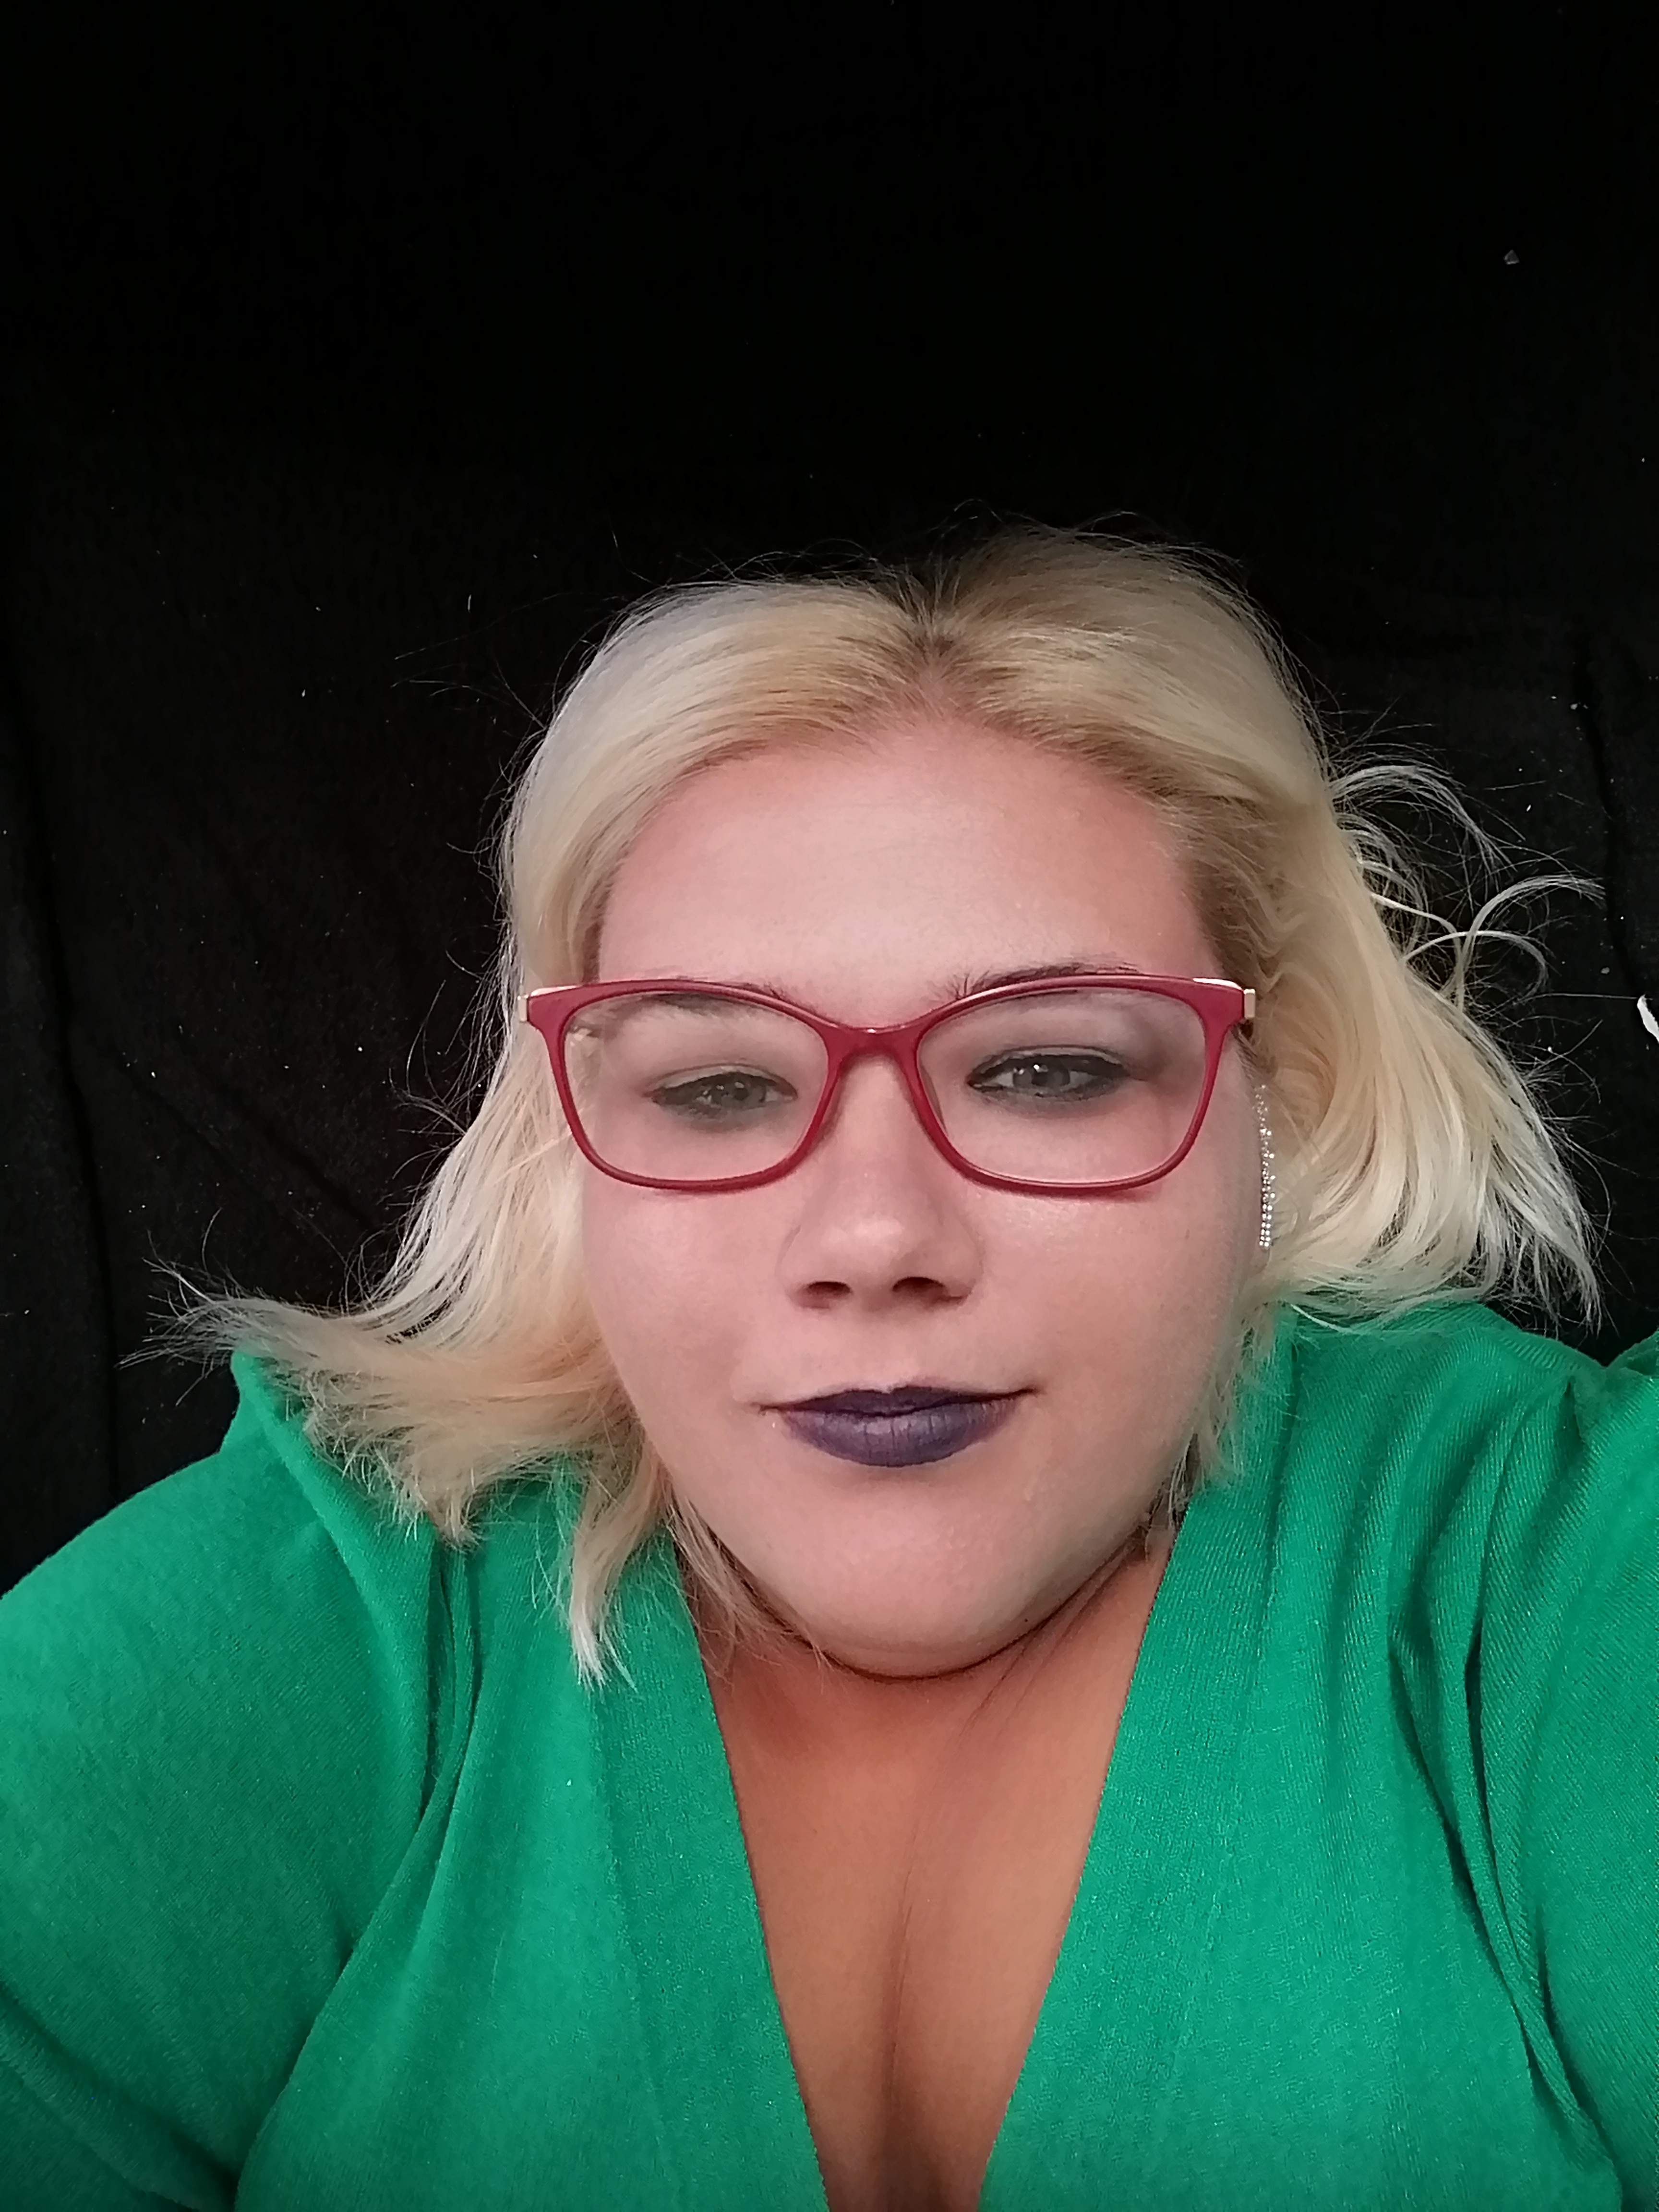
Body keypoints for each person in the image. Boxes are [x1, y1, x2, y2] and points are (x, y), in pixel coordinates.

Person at [0, 527, 1652, 2212]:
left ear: (1268, 1097)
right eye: (719, 1088)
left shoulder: (1543, 1579)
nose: (873, 1236)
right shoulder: (344, 1613)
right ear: (578, 1139)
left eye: (1048, 1068)